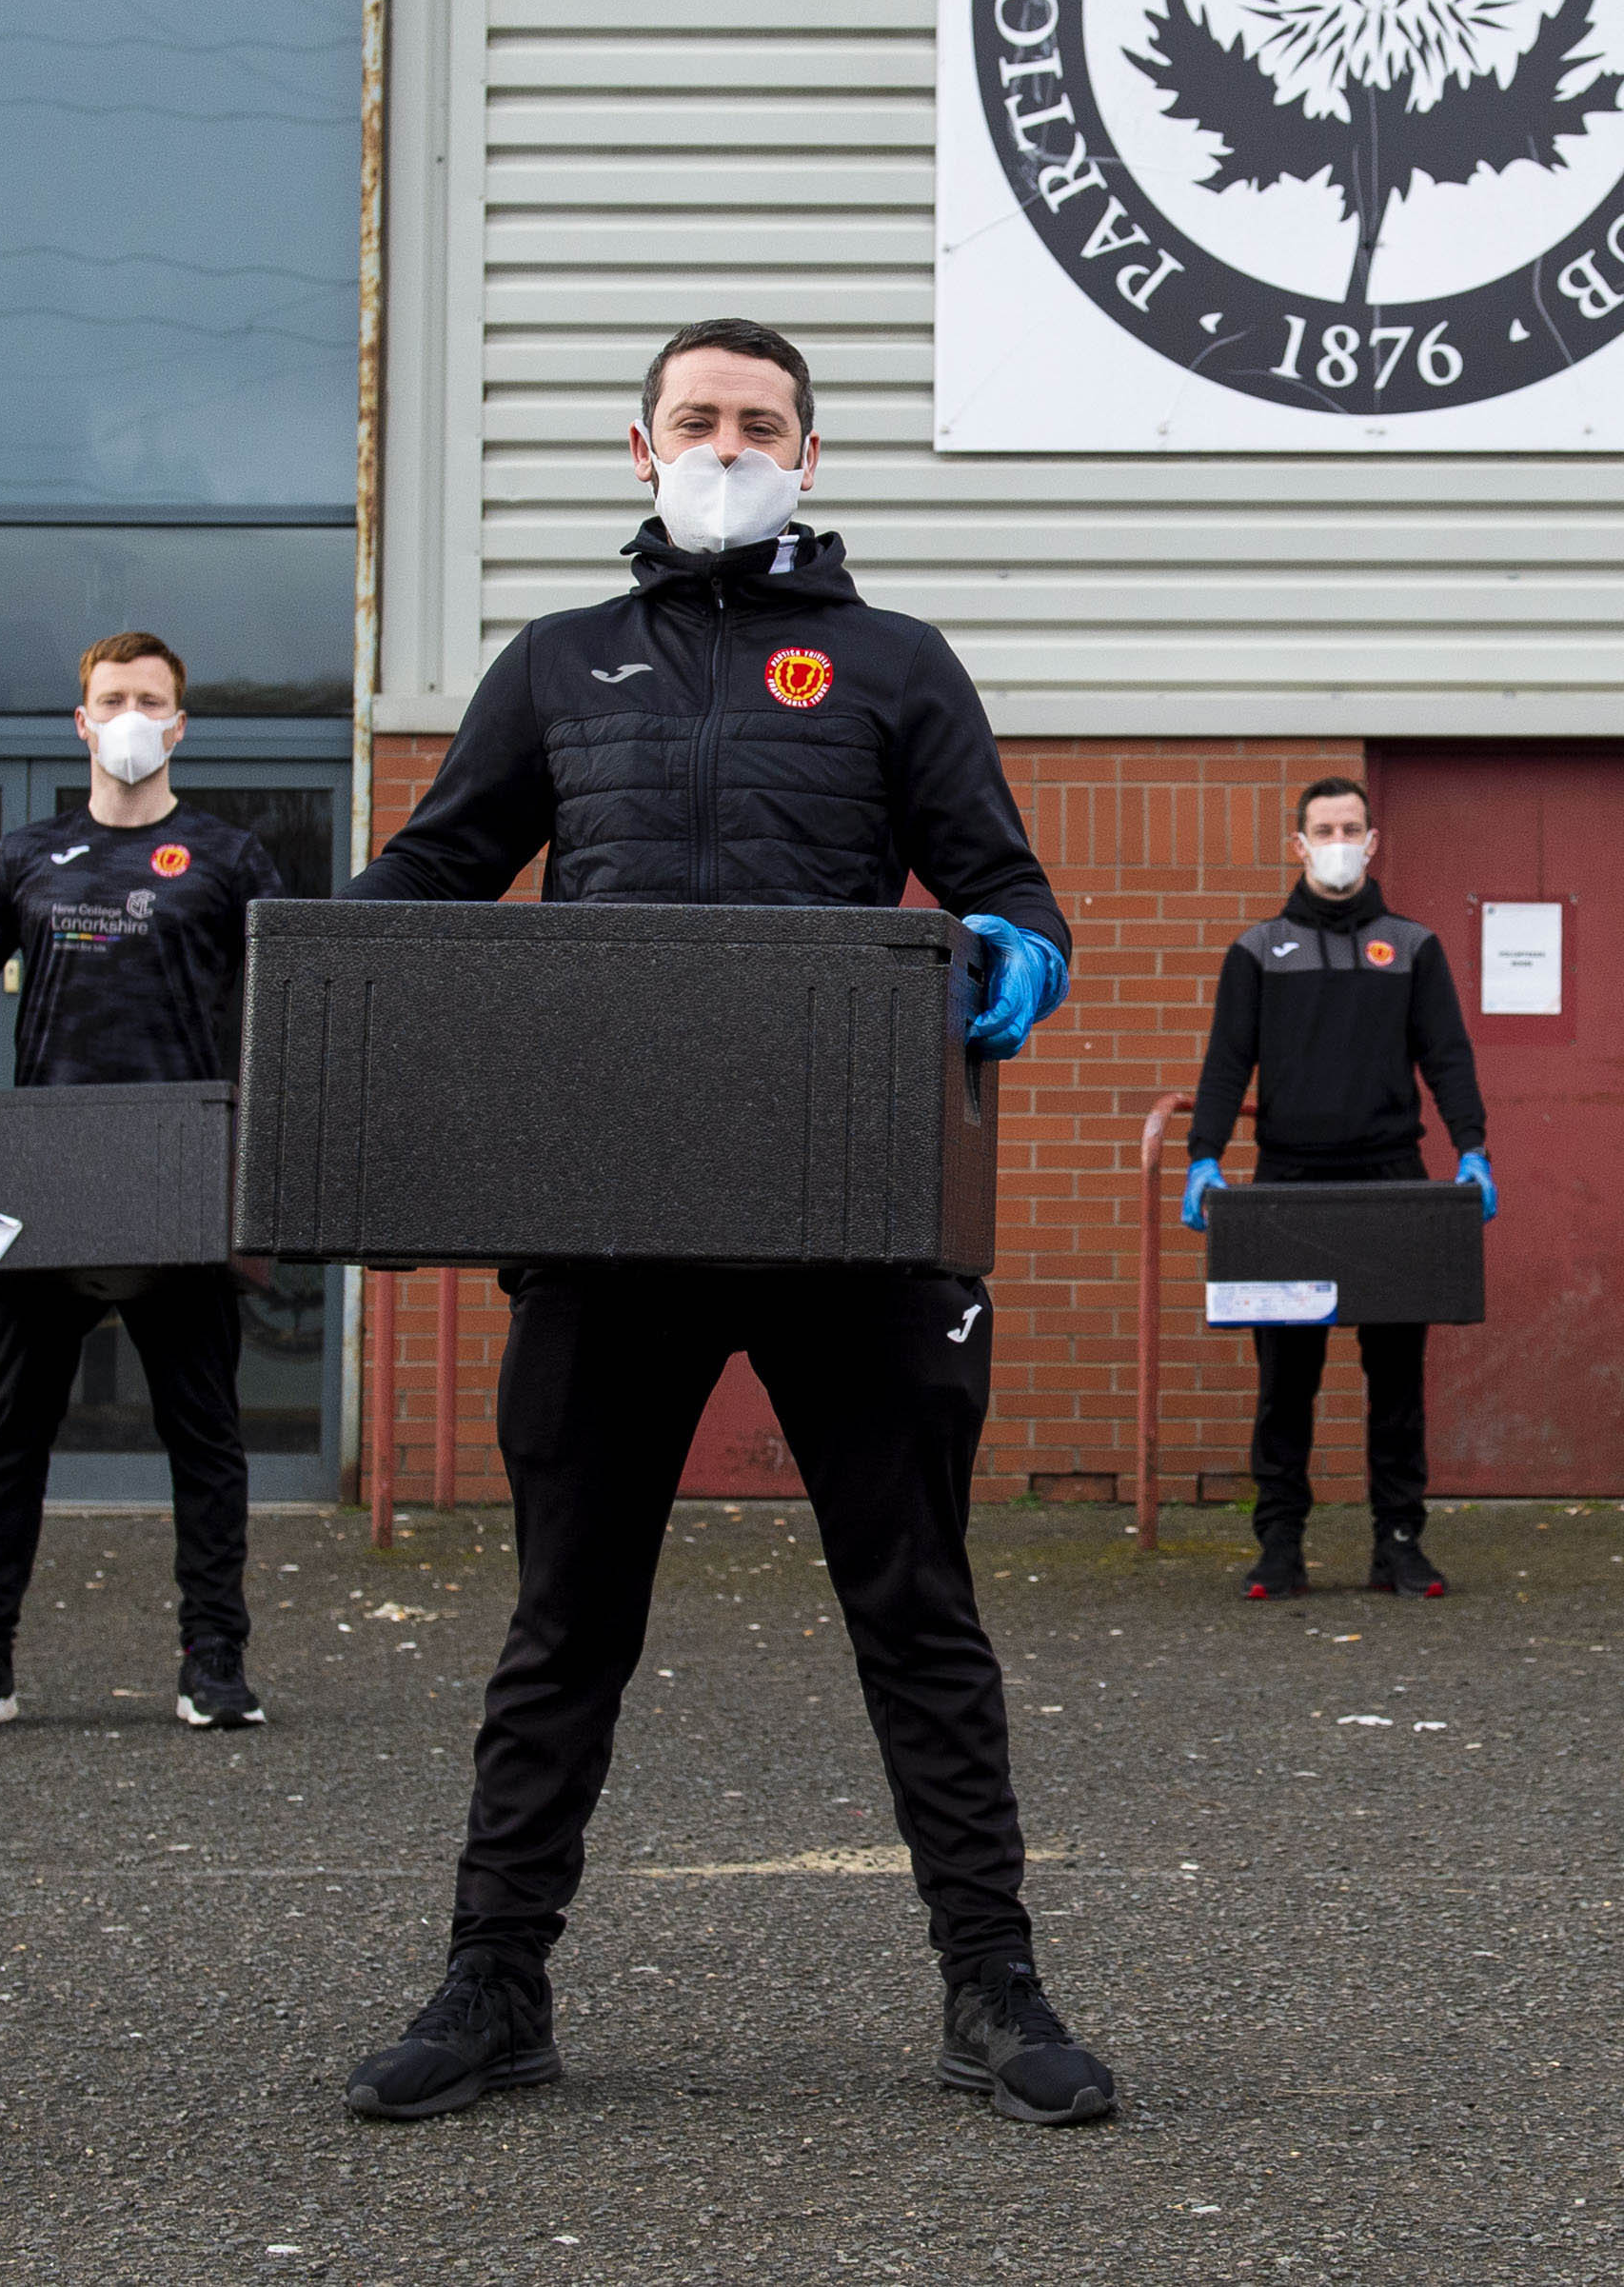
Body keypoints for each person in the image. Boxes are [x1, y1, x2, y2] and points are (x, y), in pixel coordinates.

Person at [329, 318, 1112, 2130]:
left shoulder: (894, 665)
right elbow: (433, 872)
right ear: (639, 446)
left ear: (811, 459)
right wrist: (314, 983)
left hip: (850, 1212)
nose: (727, 443)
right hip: (605, 1219)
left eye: (760, 423)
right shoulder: (554, 665)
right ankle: (493, 1982)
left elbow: (1003, 884)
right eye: (697, 418)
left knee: (916, 1605)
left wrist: (1012, 957)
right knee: (563, 1616)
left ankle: (991, 1986)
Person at [0, 632, 286, 1736]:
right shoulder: (25, 860)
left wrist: (274, 1162)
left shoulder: (229, 861)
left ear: (179, 725)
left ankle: (215, 1663)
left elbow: (286, 1018)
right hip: (40, 1190)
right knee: (8, 1436)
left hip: (179, 1182)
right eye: (112, 699)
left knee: (203, 1435)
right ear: (81, 722)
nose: (131, 716)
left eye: (151, 700)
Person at [1183, 776, 1494, 1604]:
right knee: (1286, 1380)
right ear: (1298, 843)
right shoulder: (1256, 952)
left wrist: (1472, 1149)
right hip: (1288, 1184)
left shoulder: (1413, 947)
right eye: (1323, 828)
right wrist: (1203, 1155)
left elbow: (1448, 1058)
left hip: (1392, 1180)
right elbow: (1225, 1062)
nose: (1338, 841)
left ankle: (1399, 1544)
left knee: (1395, 1379)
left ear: (1372, 839)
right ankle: (1279, 1547)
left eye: (1351, 827)